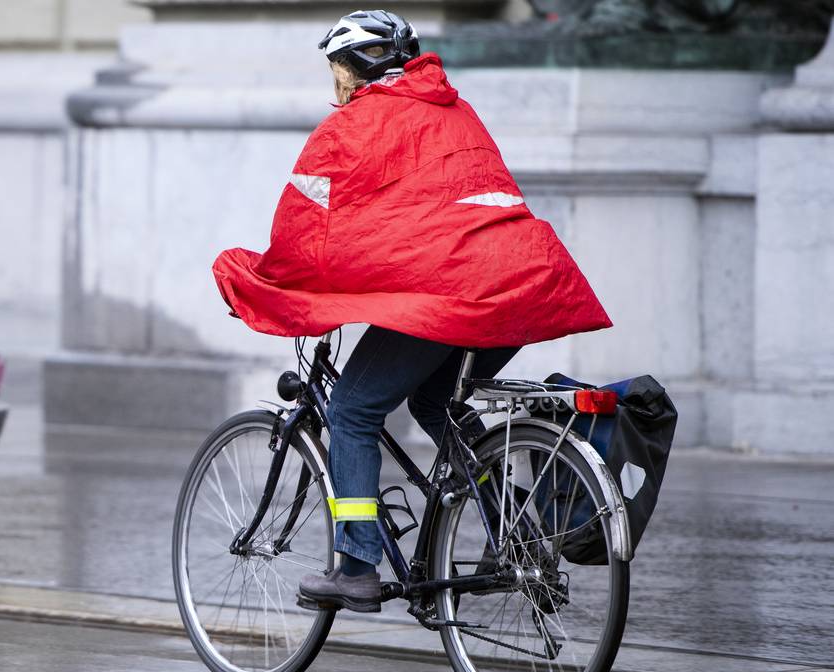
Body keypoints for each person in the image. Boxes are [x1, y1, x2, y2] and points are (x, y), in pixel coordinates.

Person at [211, 10, 611, 612]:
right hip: (520, 283)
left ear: (353, 67)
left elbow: (307, 237)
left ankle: (355, 567)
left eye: (336, 70)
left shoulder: (352, 125)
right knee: (432, 401)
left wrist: (260, 283)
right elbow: (428, 218)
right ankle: (519, 533)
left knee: (350, 409)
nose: (336, 85)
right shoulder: (454, 108)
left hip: (450, 296)